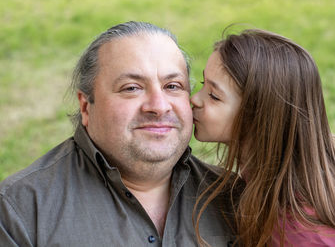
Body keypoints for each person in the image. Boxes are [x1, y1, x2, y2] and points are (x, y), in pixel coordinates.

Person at [0, 21, 236, 246]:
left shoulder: (237, 200)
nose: (159, 105)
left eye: (172, 86)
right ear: (85, 107)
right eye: (131, 88)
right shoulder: (19, 211)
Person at [191, 28, 335, 246]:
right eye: (202, 84)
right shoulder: (302, 162)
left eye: (214, 96)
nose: (194, 99)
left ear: (259, 117)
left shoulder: (295, 225)